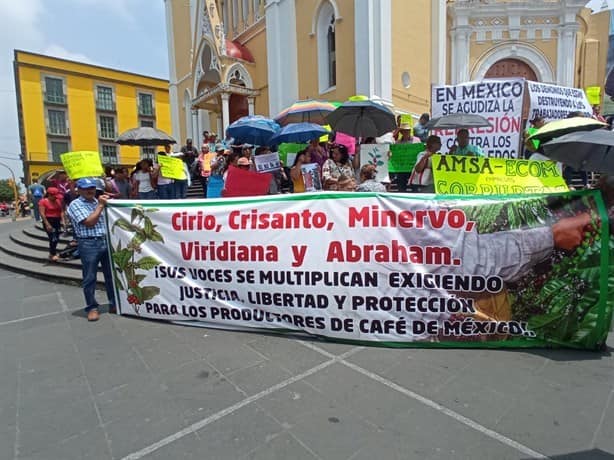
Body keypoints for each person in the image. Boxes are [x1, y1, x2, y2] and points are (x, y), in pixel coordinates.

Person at [66, 178, 116, 321]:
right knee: (90, 277)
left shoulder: (98, 201)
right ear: (79, 190)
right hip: (88, 244)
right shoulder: (75, 204)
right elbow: (89, 222)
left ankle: (113, 303)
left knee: (111, 275)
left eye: (92, 188)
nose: (90, 191)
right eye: (86, 188)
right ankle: (92, 307)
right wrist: (100, 206)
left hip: (105, 241)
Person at [38, 186, 65, 262]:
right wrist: (47, 224)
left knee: (57, 237)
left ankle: (52, 253)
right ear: (50, 195)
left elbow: (61, 211)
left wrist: (63, 221)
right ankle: (52, 254)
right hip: (49, 220)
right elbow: (42, 214)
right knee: (53, 238)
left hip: (57, 220)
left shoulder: (58, 201)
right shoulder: (43, 201)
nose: (56, 198)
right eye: (54, 196)